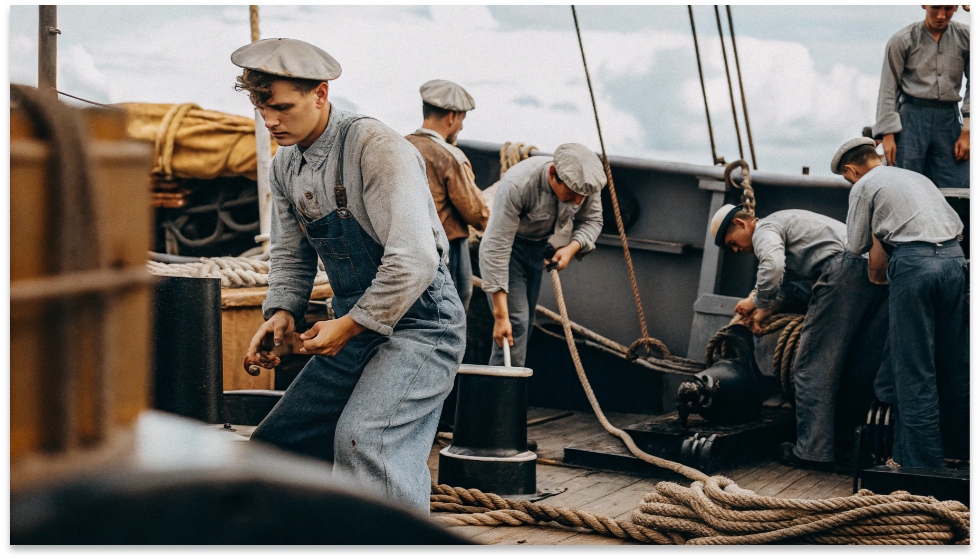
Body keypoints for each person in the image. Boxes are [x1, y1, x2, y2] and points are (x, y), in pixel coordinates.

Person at [234, 38, 466, 512]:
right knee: (277, 447)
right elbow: (291, 256)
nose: (270, 121)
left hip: (423, 326)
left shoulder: (374, 146)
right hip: (353, 329)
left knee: (367, 441)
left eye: (282, 107)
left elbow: (414, 260)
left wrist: (350, 324)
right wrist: (281, 312)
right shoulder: (284, 167)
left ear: (320, 94)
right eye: (262, 107)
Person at [711, 203, 887, 470]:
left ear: (741, 223)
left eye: (732, 243)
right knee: (857, 364)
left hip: (842, 273)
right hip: (873, 274)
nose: (736, 250)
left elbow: (772, 268)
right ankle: (848, 445)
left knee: (810, 367)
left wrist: (757, 300)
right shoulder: (788, 224)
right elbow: (788, 281)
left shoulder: (765, 228)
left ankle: (812, 450)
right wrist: (762, 309)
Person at [833, 137, 968, 469]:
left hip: (915, 267)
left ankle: (920, 467)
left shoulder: (864, 185)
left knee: (914, 370)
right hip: (955, 262)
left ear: (851, 170)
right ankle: (962, 452)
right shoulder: (914, 176)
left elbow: (856, 244)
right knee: (954, 365)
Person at [479, 143, 605, 367]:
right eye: (572, 194)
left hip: (539, 249)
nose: (578, 201)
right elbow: (496, 247)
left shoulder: (585, 186)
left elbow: (592, 221)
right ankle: (500, 397)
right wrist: (500, 316)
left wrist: (571, 248)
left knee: (526, 325)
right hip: (509, 250)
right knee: (514, 323)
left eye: (582, 196)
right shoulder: (518, 184)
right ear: (553, 174)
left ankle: (509, 388)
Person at [405, 79, 489, 311]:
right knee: (452, 310)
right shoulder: (450, 157)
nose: (461, 126)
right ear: (452, 116)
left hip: (403, 246)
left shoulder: (401, 146)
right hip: (445, 249)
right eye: (462, 119)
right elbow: (476, 212)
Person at [872, 5, 970, 188]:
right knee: (903, 183)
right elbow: (888, 87)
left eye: (948, 8)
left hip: (949, 120)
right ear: (924, 4)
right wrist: (887, 134)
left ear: (957, 7)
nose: (941, 15)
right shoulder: (902, 40)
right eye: (935, 7)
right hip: (911, 118)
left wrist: (968, 131)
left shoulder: (968, 37)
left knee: (960, 185)